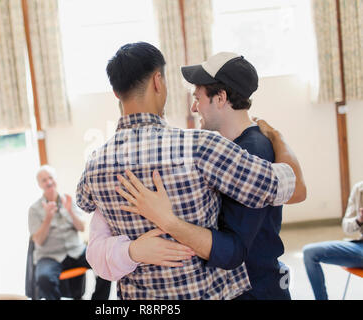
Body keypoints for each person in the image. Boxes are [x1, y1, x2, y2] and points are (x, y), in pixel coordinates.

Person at [77, 42, 303, 300]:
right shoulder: (201, 147)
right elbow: (282, 186)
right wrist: (278, 139)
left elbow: (83, 203)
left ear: (116, 93)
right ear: (158, 81)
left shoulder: (95, 164)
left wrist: (132, 250)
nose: (194, 106)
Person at [28, 165, 111, 300]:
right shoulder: (34, 209)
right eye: (44, 180)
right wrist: (48, 218)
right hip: (50, 256)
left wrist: (70, 212)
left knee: (106, 263)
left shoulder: (69, 200)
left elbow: (82, 228)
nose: (49, 182)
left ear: (55, 179)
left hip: (76, 251)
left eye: (50, 178)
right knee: (44, 279)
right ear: (39, 184)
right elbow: (38, 240)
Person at [303, 181, 363, 300]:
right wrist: (359, 219)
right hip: (360, 248)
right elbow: (346, 227)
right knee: (310, 253)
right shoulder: (358, 189)